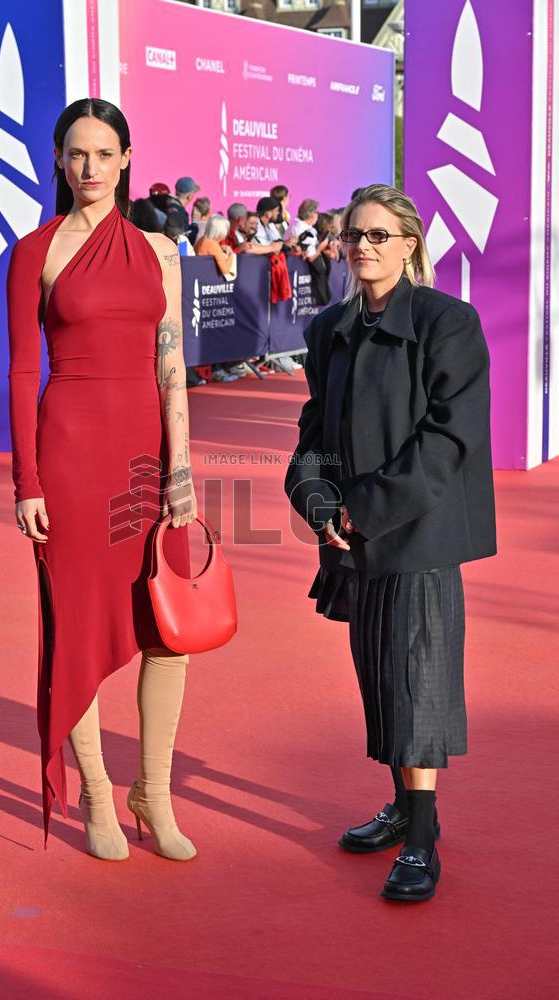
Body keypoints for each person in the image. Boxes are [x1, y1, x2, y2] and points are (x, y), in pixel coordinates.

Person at [284, 183, 496, 902]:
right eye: (354, 235)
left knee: (417, 681)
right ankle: (403, 807)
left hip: (419, 532)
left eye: (379, 235)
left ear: (409, 244)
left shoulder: (448, 322)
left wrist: (365, 508)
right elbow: (315, 428)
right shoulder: (330, 329)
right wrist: (312, 491)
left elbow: (449, 439)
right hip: (352, 534)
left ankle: (423, 835)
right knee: (377, 673)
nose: (364, 246)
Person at [6, 97, 199, 862]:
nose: (89, 167)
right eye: (75, 153)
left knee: (167, 630)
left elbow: (174, 363)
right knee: (78, 626)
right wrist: (28, 481)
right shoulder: (37, 251)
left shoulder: (160, 250)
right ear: (59, 159)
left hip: (146, 458)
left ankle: (155, 790)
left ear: (126, 159)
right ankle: (95, 791)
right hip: (72, 456)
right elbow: (24, 372)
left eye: (103, 153)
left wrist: (181, 469)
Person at [194, 214, 237, 280]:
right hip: (208, 279)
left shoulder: (201, 240)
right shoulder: (212, 244)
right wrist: (231, 255)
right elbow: (225, 270)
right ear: (222, 230)